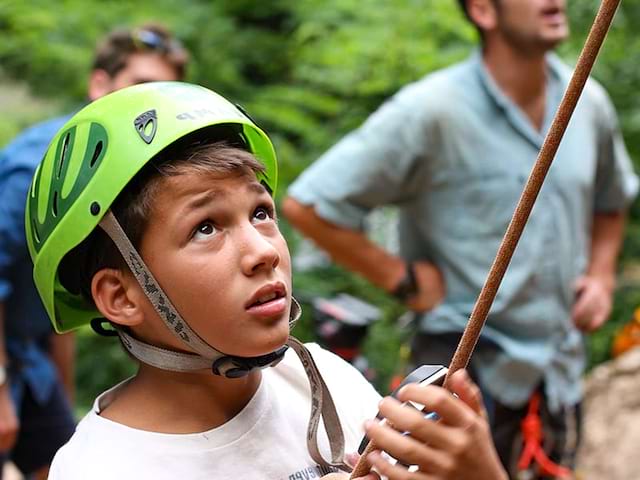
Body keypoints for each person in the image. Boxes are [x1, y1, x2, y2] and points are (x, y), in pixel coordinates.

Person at [26, 81, 508, 479]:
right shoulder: (104, 470)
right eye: (206, 228)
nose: (262, 251)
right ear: (121, 295)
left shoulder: (325, 381)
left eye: (260, 212)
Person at [282, 0, 638, 476]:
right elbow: (309, 204)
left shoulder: (587, 103)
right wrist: (401, 278)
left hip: (555, 373)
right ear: (483, 11)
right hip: (462, 371)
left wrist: (599, 275)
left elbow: (612, 200)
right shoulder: (434, 111)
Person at [0, 23, 188, 479]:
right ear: (99, 85)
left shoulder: (123, 172)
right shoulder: (41, 167)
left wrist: (66, 409)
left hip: (32, 356)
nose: (150, 105)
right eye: (139, 86)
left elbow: (63, 291)